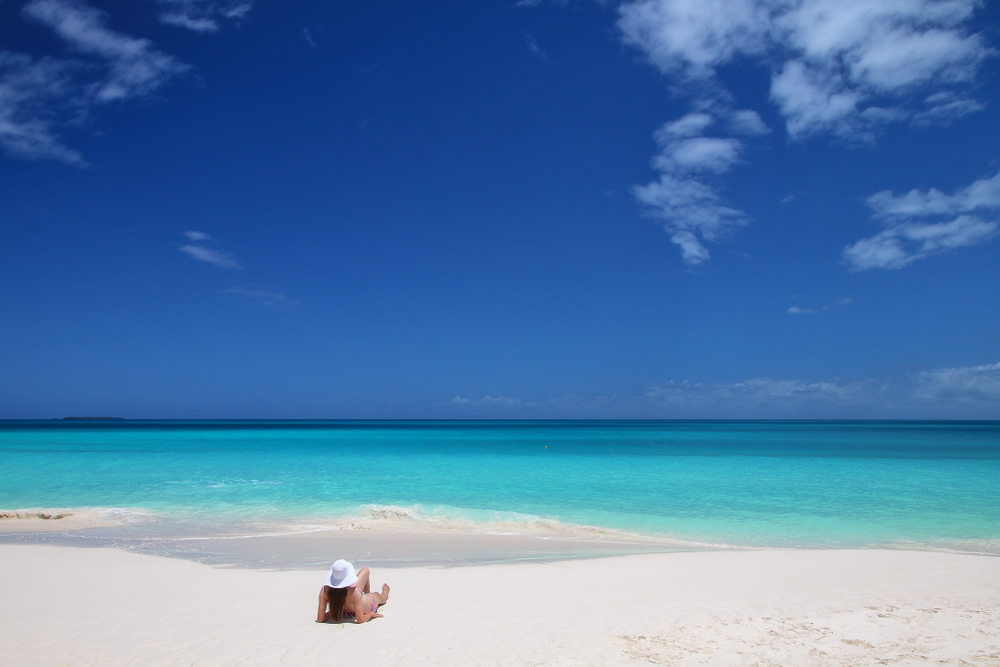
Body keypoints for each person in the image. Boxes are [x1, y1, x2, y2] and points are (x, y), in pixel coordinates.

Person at [316, 559, 390, 623]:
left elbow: (320, 619)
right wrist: (371, 614)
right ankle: (385, 592)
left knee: (365, 571)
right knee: (380, 597)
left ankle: (367, 593)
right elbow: (360, 620)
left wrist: (332, 612)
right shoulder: (354, 591)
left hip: (344, 610)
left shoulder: (324, 590)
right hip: (367, 606)